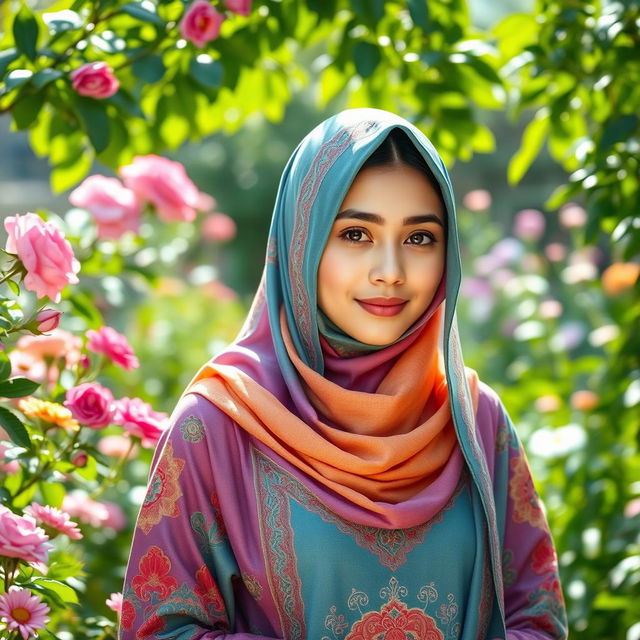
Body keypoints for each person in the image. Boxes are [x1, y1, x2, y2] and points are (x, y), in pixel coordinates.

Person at [117, 108, 568, 640]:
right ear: (302, 243)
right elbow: (160, 630)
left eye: (420, 238)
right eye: (356, 233)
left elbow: (537, 621)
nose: (390, 271)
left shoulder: (473, 420)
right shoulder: (219, 425)